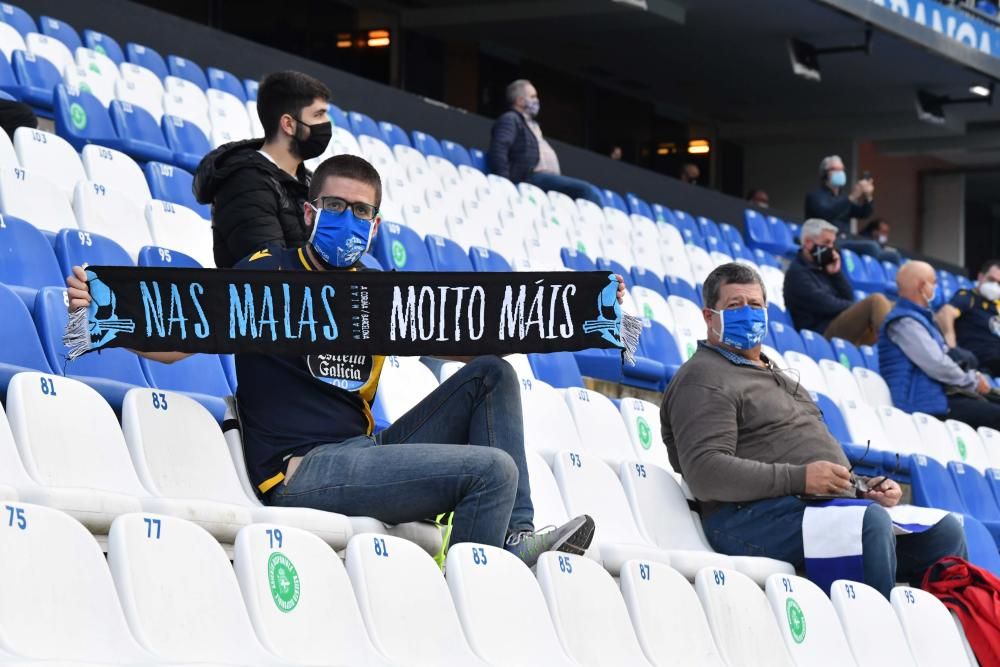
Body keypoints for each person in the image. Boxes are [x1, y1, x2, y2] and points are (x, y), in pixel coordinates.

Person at [68, 154, 603, 566]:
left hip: (364, 452)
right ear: (310, 211)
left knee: (492, 372)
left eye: (362, 211)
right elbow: (178, 339)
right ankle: (473, 597)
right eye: (337, 207)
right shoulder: (266, 275)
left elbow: (458, 336)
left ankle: (514, 535)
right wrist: (109, 313)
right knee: (491, 470)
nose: (349, 219)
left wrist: (573, 312)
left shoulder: (375, 290)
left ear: (375, 224)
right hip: (303, 469)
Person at [661, 262, 967, 599]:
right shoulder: (705, 377)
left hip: (810, 507)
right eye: (734, 306)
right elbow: (706, 473)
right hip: (747, 518)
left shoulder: (779, 376)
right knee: (866, 523)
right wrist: (801, 479)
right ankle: (871, 636)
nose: (747, 314)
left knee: (944, 533)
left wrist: (860, 487)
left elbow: (806, 455)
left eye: (755, 305)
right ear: (709, 316)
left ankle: (932, 641)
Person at [194, 70, 333, 268]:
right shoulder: (244, 182)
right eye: (318, 115)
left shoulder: (309, 181)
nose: (326, 124)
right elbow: (271, 273)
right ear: (289, 124)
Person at [880, 261, 1000, 429]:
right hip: (924, 402)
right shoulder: (905, 322)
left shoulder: (921, 320)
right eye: (934, 283)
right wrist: (971, 381)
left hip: (938, 396)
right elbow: (935, 363)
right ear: (922, 286)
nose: (936, 288)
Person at [487, 79, 602, 205]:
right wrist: (504, 182)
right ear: (520, 101)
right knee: (587, 191)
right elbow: (499, 148)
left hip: (543, 179)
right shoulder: (511, 119)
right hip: (529, 178)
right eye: (533, 96)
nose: (537, 100)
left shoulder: (531, 125)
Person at [783, 218, 892, 345]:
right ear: (808, 242)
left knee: (891, 305)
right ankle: (893, 348)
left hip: (837, 326)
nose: (831, 249)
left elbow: (848, 296)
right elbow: (827, 305)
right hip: (820, 335)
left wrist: (836, 274)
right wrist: (856, 306)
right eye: (827, 243)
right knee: (876, 301)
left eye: (832, 244)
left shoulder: (824, 269)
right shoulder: (797, 274)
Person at [937, 259, 1000, 376]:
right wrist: (952, 345)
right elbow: (945, 313)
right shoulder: (968, 297)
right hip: (979, 362)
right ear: (981, 277)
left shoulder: (997, 306)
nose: (995, 286)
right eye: (991, 280)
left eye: (999, 283)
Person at [804, 155, 874, 236]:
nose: (840, 172)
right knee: (872, 246)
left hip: (845, 237)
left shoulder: (842, 197)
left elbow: (864, 213)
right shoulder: (814, 196)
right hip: (825, 240)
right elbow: (826, 213)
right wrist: (852, 197)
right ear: (824, 173)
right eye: (835, 169)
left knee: (875, 244)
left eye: (842, 169)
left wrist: (868, 196)